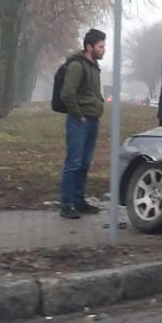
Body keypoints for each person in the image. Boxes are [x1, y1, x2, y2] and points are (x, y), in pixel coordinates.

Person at [58, 28, 106, 220]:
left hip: (92, 120)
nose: (104, 50)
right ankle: (67, 204)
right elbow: (67, 94)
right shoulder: (77, 66)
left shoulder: (93, 66)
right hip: (80, 121)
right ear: (89, 47)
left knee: (85, 163)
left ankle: (79, 199)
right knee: (74, 162)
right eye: (101, 46)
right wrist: (79, 115)